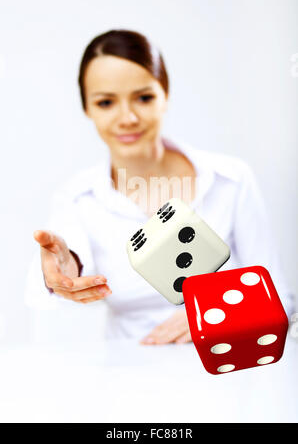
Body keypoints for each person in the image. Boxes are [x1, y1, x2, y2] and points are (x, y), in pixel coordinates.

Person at [25, 29, 295, 344]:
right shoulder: (77, 198)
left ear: (165, 94)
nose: (127, 117)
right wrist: (63, 266)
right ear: (87, 108)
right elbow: (63, 263)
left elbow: (281, 302)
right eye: (106, 102)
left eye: (143, 97)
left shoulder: (231, 179)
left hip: (227, 377)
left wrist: (219, 313)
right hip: (126, 378)